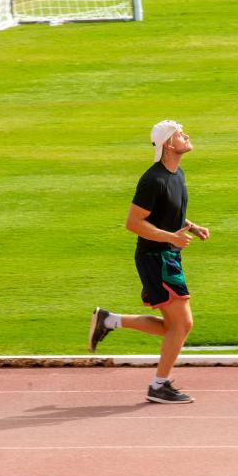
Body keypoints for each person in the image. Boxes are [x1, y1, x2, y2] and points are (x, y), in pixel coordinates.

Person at [88, 120, 209, 404]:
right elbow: (134, 223)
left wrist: (190, 226)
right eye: (180, 134)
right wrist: (172, 237)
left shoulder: (176, 174)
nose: (186, 136)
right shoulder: (153, 180)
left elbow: (166, 211)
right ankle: (159, 385)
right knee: (183, 324)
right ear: (168, 144)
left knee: (173, 327)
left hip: (167, 255)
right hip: (157, 258)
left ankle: (109, 320)